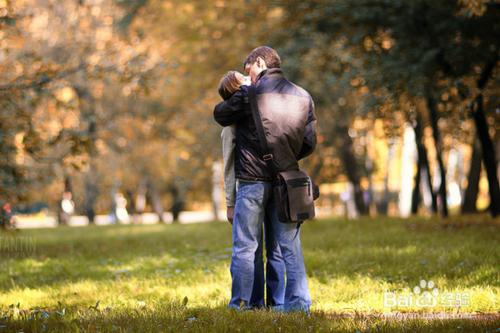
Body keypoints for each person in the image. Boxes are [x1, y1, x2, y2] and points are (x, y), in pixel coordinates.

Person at [214, 46, 317, 312]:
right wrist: (283, 155)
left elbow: (220, 114)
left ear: (259, 62)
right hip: (286, 180)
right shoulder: (303, 96)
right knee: (288, 246)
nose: (247, 74)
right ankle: (297, 305)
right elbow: (308, 143)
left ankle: (241, 305)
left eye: (247, 67)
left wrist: (245, 90)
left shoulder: (250, 93)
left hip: (252, 180)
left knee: (246, 247)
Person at [217, 70, 286, 309]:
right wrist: (229, 201)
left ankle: (275, 304)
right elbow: (228, 166)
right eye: (243, 78)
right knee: (249, 249)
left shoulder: (263, 111)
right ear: (238, 89)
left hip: (272, 184)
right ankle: (247, 303)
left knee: (273, 248)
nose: (251, 78)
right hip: (249, 186)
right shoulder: (231, 126)